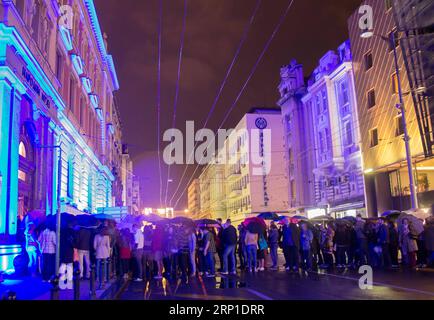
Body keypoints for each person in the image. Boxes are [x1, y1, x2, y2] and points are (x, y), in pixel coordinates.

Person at [59, 223, 75, 290]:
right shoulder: (72, 233)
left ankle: (62, 284)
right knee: (69, 267)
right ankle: (69, 283)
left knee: (62, 267)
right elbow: (73, 243)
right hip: (69, 252)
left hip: (62, 251)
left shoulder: (61, 232)